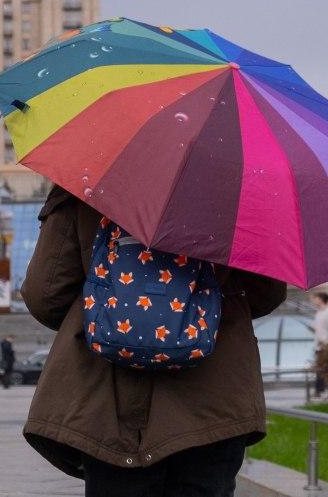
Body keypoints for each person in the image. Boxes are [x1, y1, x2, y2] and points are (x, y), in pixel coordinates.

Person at [22, 186, 287, 497]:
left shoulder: (90, 180)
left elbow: (45, 296)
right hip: (213, 401)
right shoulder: (237, 186)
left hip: (111, 404)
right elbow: (266, 293)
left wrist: (110, 309)